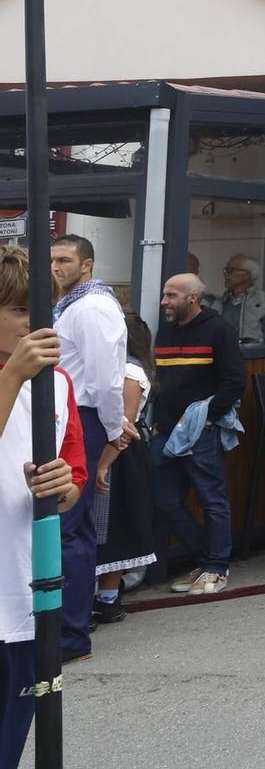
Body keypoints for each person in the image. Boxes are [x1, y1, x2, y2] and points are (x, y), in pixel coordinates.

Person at [0, 246, 87, 761]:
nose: (33, 325)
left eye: (41, 312)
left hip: (26, 582)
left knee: (14, 723)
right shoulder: (20, 375)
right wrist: (12, 373)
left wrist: (63, 485)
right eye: (17, 311)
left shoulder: (58, 384)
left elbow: (74, 471)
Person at [48, 234, 125, 661]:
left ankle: (71, 635)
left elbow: (104, 379)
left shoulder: (93, 308)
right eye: (52, 260)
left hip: (82, 416)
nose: (56, 267)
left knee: (69, 527)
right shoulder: (72, 306)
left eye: (64, 259)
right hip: (69, 415)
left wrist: (114, 430)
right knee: (69, 526)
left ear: (87, 265)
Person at [150, 273, 243, 597]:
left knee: (211, 498)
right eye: (164, 294)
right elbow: (160, 377)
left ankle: (216, 568)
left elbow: (235, 380)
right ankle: (206, 560)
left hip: (201, 431)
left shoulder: (219, 329)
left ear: (192, 298)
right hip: (164, 429)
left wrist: (210, 418)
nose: (164, 302)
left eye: (171, 295)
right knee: (163, 500)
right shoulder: (165, 330)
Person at [91, 314, 156, 625]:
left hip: (119, 454)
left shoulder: (130, 370)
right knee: (107, 524)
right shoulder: (124, 367)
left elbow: (124, 424)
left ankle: (107, 597)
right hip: (115, 450)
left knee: (111, 525)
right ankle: (103, 596)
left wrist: (103, 464)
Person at [216, 253, 265, 345]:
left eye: (230, 270)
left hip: (254, 357)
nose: (225, 274)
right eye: (225, 270)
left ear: (246, 275)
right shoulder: (220, 302)